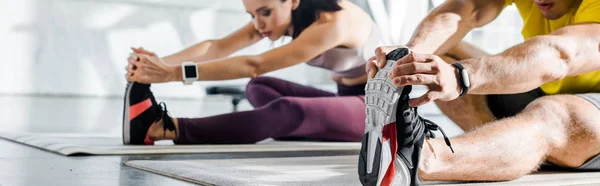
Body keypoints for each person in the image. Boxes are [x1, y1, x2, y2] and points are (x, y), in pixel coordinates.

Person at [360, 0, 600, 185]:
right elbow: (466, 7)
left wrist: (461, 76)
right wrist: (410, 55)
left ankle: (422, 157)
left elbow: (561, 55)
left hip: (587, 110)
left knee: (555, 114)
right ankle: (508, 149)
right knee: (437, 56)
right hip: (545, 91)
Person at [122, 0, 383, 145]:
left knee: (286, 109)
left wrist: (171, 75)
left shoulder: (332, 23)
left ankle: (167, 129)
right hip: (345, 97)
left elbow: (254, 64)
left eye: (265, 13)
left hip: (376, 111)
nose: (258, 24)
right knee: (258, 87)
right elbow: (218, 46)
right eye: (252, 15)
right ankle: (306, 124)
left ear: (292, 1)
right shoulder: (281, 16)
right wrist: (157, 64)